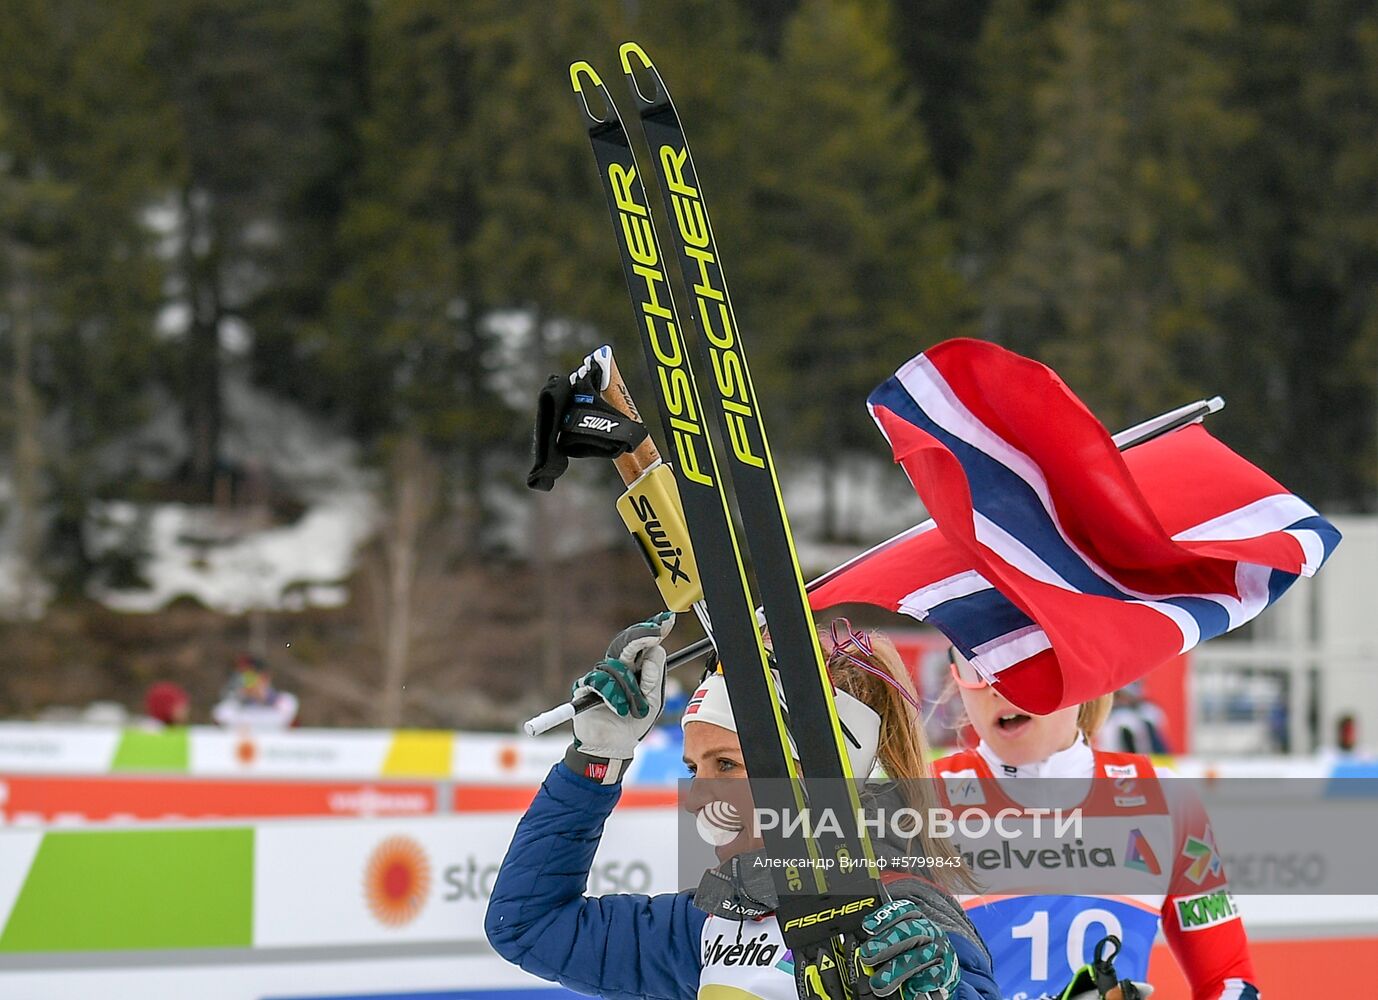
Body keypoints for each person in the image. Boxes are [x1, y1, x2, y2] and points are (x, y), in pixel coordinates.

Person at [486, 613, 1002, 1000]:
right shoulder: (713, 920)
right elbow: (528, 926)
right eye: (694, 769)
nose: (700, 800)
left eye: (726, 766)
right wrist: (596, 759)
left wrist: (944, 992)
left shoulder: (899, 916)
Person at [933, 648, 1259, 1000]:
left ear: (1077, 662)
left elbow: (1228, 981)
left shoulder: (1164, 798)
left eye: (1023, 655)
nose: (998, 684)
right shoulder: (917, 801)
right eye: (974, 664)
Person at [211, 654, 299, 730]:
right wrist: (242, 698)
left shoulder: (285, 700)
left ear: (265, 678)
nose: (247, 682)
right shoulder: (235, 705)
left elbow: (288, 715)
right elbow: (220, 715)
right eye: (244, 677)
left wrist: (266, 698)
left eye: (251, 677)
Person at [1099, 683, 1169, 756]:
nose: (1121, 700)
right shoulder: (1111, 717)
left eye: (1123, 696)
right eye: (1118, 696)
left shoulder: (1147, 711)